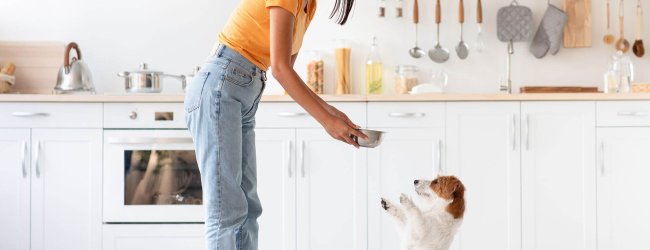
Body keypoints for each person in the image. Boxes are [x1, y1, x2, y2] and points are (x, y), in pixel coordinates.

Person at [183, 0, 366, 249]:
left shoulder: (308, 6)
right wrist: (326, 121)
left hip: (244, 90)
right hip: (221, 86)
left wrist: (331, 112)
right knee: (227, 212)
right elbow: (280, 69)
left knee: (248, 209)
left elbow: (286, 69)